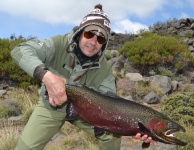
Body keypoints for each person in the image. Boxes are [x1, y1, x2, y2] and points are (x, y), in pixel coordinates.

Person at [11, 4, 156, 150]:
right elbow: (21, 50)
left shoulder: (105, 70)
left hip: (87, 112)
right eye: (89, 34)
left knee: (111, 136)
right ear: (80, 32)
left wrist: (134, 127)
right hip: (50, 106)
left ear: (104, 44)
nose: (93, 42)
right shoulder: (58, 44)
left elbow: (111, 105)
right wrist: (47, 76)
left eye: (100, 39)